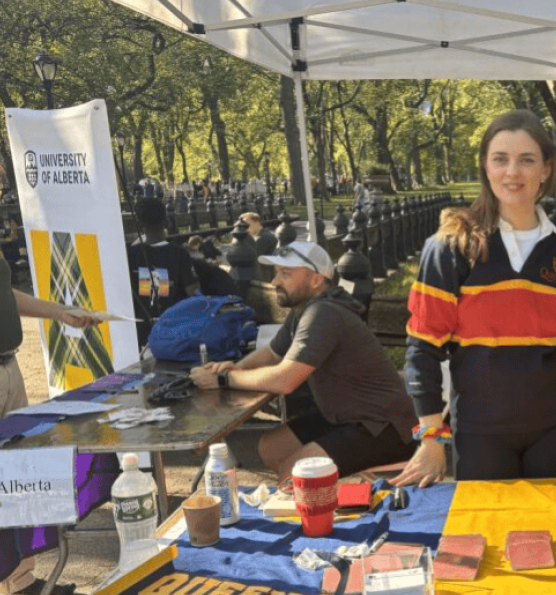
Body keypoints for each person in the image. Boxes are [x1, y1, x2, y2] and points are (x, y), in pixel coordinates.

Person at [395, 109, 556, 485]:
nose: (512, 172)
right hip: (482, 431)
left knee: (554, 535)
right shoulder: (450, 246)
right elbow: (422, 349)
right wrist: (431, 436)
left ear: (545, 169)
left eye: (526, 160)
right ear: (485, 165)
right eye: (500, 159)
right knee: (489, 540)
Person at [0, 141, 100, 595]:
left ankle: (17, 580)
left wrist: (59, 312)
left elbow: (0, 295)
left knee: (12, 477)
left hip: (7, 369)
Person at [190, 241, 418, 480]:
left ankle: (304, 503)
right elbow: (272, 353)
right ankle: (305, 501)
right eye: (276, 273)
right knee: (271, 446)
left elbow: (285, 380)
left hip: (386, 427)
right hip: (346, 417)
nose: (275, 281)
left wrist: (224, 379)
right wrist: (237, 367)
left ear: (316, 279)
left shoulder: (324, 313)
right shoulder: (305, 310)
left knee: (296, 471)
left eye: (286, 274)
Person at [127, 197, 199, 349]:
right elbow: (194, 294)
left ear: (139, 225)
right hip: (175, 333)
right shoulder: (178, 254)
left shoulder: (130, 254)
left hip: (139, 335)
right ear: (166, 222)